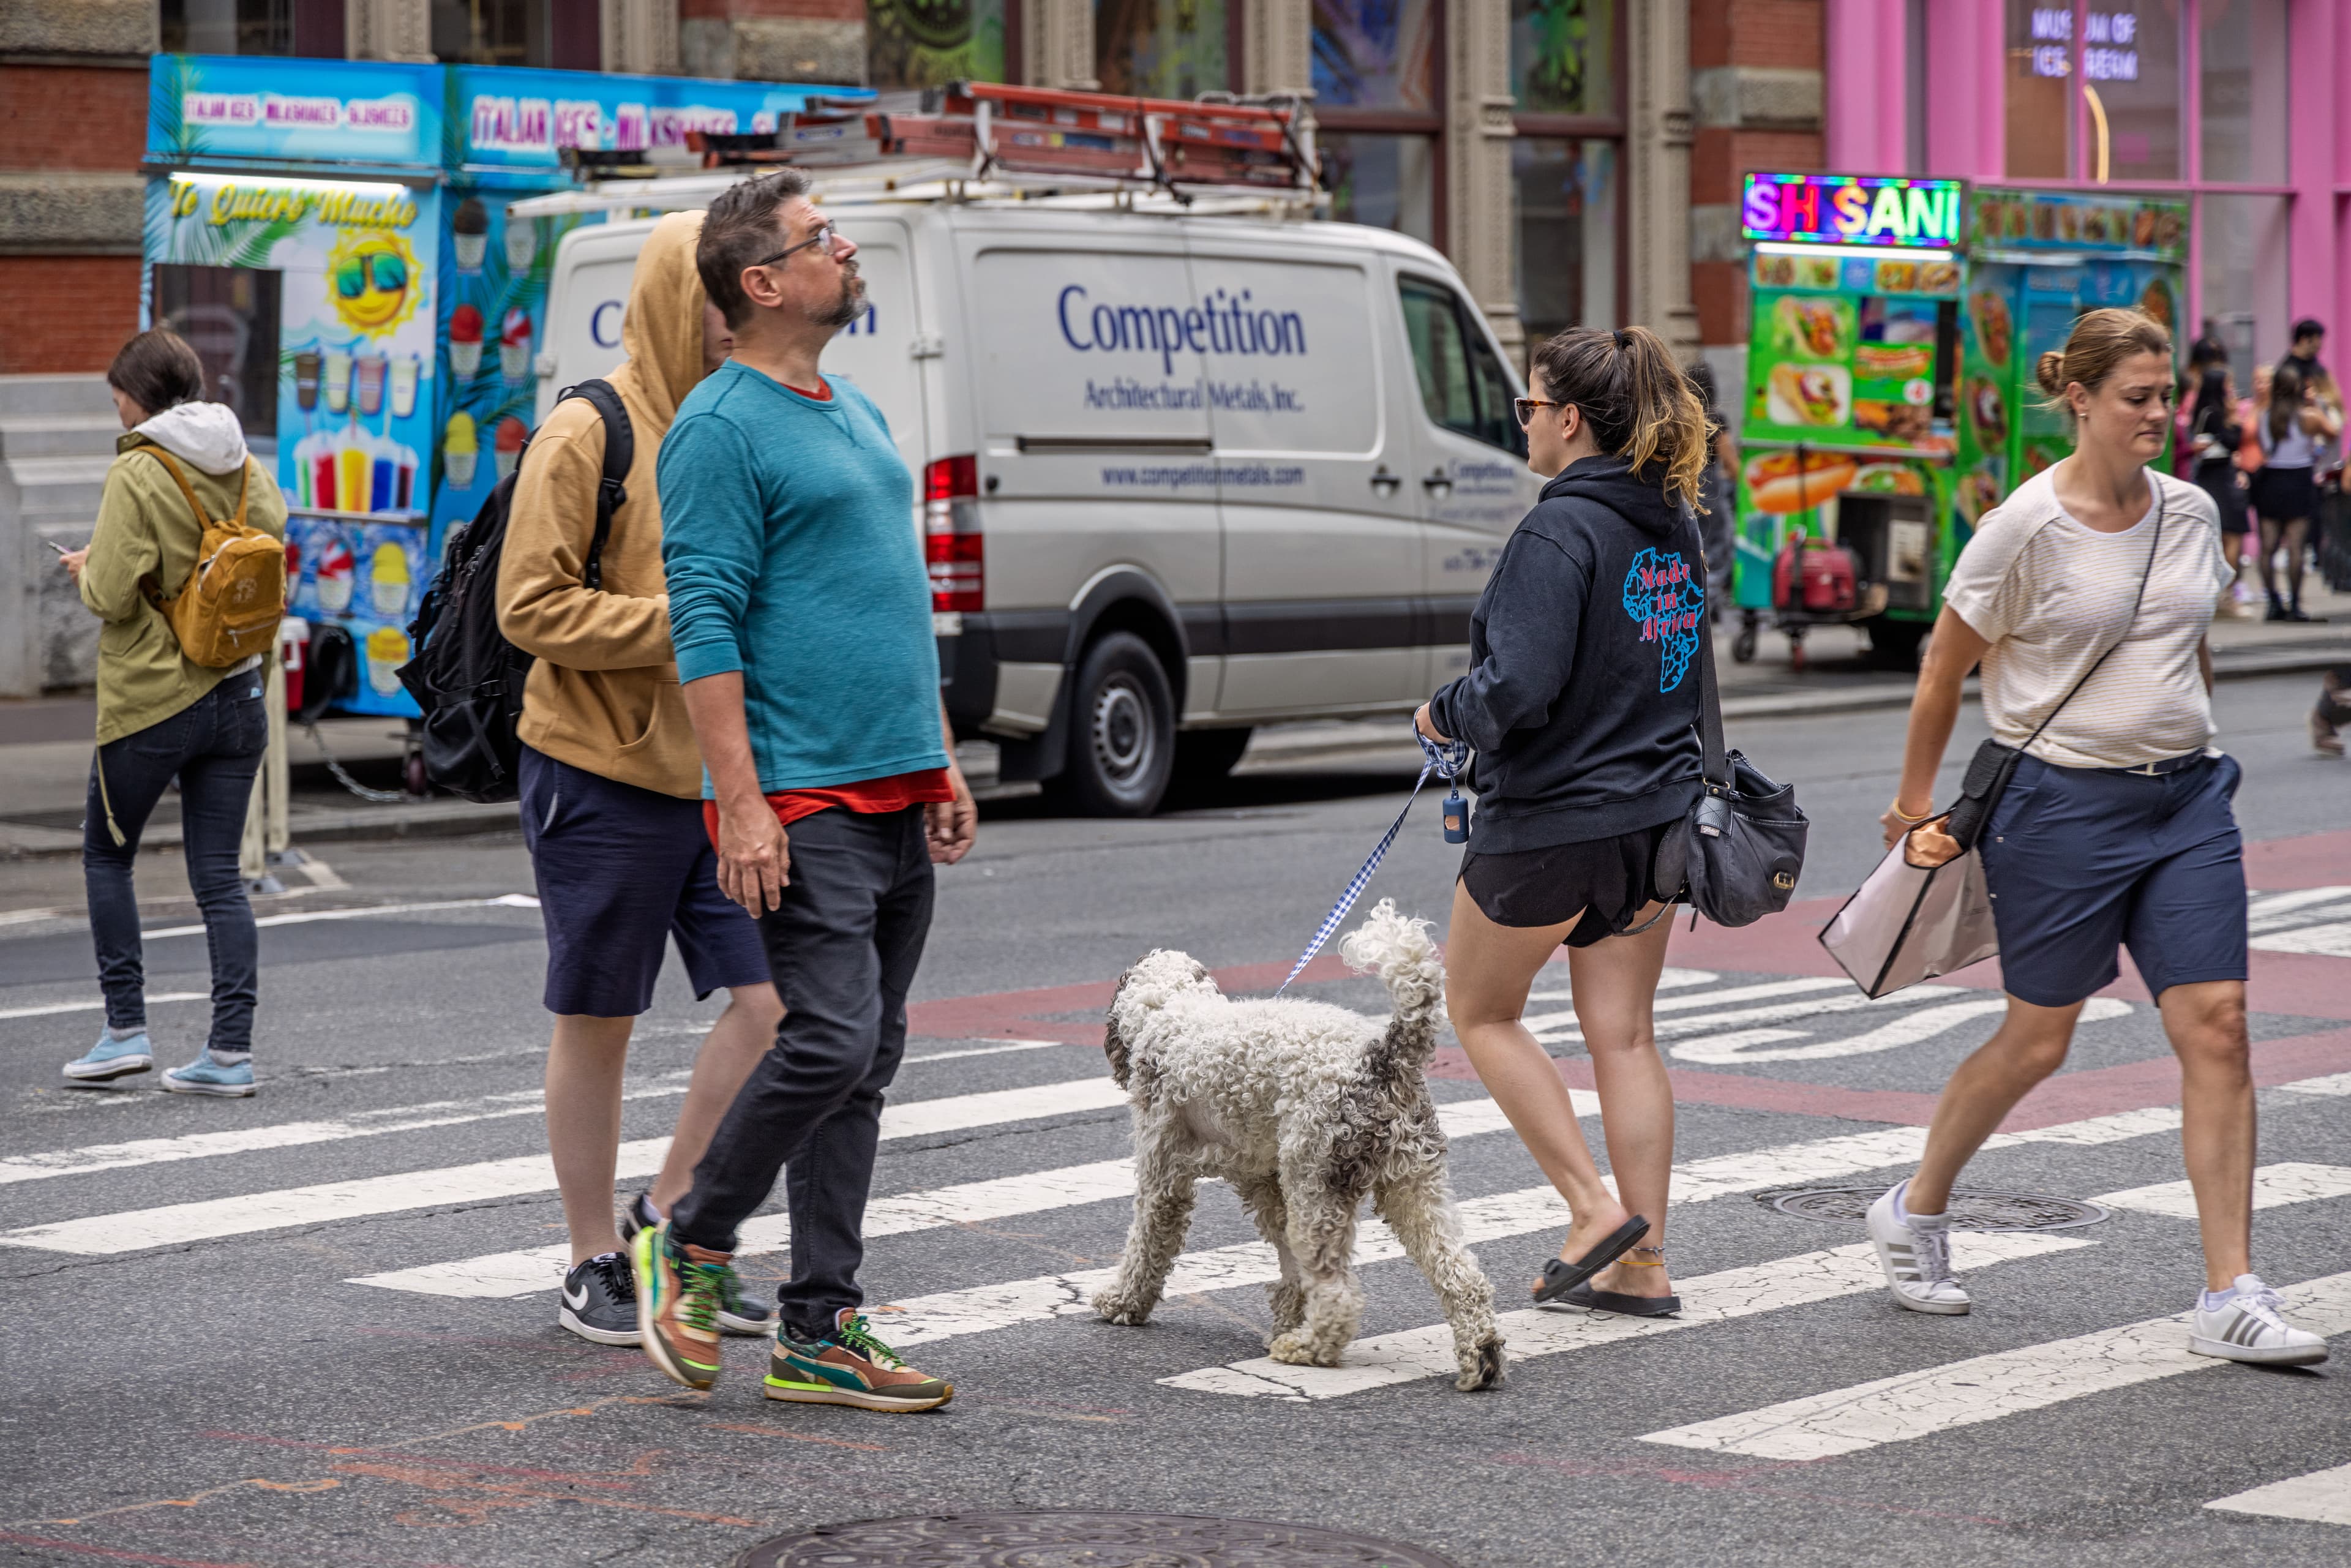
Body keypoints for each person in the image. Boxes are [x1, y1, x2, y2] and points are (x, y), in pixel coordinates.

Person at [1870, 307, 2327, 1367]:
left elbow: (2189, 644)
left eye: (2167, 396)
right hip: (2060, 808)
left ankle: (2230, 1291)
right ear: (2079, 398)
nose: (2161, 416)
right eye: (2139, 398)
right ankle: (1915, 1205)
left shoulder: (2193, 512)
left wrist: (2189, 733)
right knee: (2042, 1037)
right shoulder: (2023, 528)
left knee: (2219, 1024)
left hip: (2187, 803)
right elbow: (1943, 671)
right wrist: (1914, 806)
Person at [633, 169, 977, 1412]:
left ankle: (820, 1324)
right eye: (819, 238)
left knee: (865, 1058)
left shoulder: (859, 411)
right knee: (825, 1032)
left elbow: (895, 594)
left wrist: (940, 751)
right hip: (806, 792)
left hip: (895, 783)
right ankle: (693, 1233)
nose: (844, 249)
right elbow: (705, 620)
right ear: (761, 284)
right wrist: (740, 801)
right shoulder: (718, 427)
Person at [495, 211, 787, 1347]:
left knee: (772, 1005)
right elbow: (530, 603)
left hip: (719, 778)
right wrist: (681, 626)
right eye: (721, 300)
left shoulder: (733, 424)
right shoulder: (589, 429)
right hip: (596, 770)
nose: (737, 320)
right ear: (678, 296)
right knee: (599, 1019)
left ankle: (667, 1220)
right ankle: (590, 1261)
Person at [1413, 325, 1712, 1319]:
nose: (1524, 421)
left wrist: (1444, 713)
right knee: (1625, 1037)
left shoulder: (1557, 531)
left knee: (1484, 1010)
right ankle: (1645, 1261)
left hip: (1549, 822)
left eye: (1533, 405)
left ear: (1572, 419)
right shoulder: (1671, 521)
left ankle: (1591, 1212)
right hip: (1655, 822)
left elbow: (1521, 686)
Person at [58, 329, 287, 1095]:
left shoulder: (139, 469)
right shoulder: (240, 454)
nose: (114, 405)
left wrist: (91, 565)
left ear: (138, 394)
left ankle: (124, 1030)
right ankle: (229, 1052)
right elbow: (273, 532)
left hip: (155, 699)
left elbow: (113, 595)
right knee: (220, 879)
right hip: (239, 690)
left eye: (116, 392)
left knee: (106, 855)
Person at [2250, 359, 2342, 620]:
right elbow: (2333, 433)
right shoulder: (2308, 416)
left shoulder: (2264, 415)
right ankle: (2295, 604)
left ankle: (2273, 602)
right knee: (2296, 546)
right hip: (2298, 479)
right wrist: (2317, 405)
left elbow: (2260, 444)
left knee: (2267, 546)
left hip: (2271, 479)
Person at [2185, 365, 2252, 615]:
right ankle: (2225, 595)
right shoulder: (2213, 413)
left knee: (2226, 536)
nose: (2232, 391)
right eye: (2228, 385)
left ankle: (2223, 594)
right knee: (2230, 535)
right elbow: (2232, 439)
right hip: (2217, 479)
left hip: (2217, 476)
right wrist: (2235, 419)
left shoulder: (2206, 411)